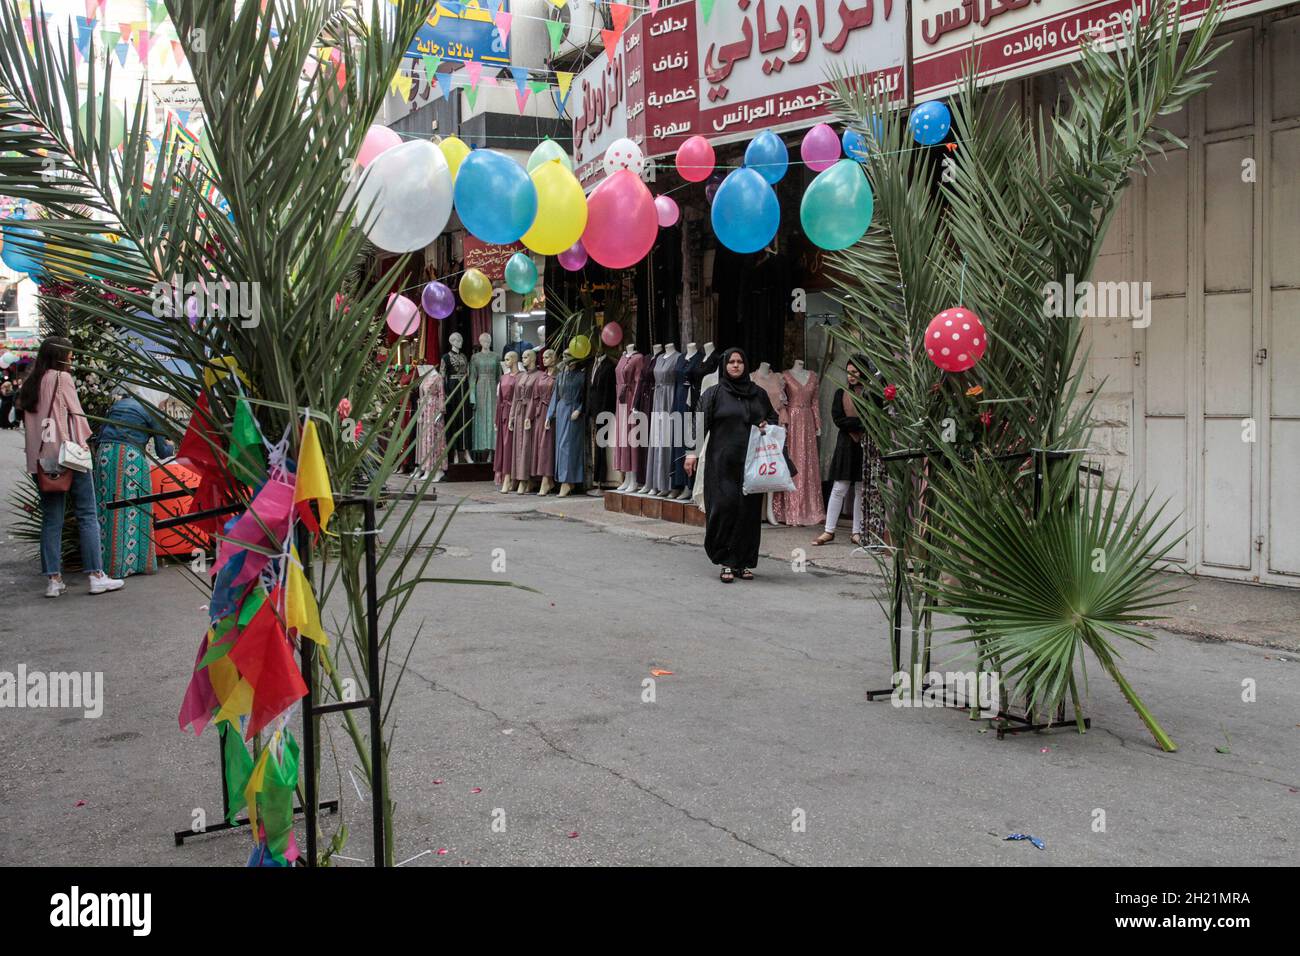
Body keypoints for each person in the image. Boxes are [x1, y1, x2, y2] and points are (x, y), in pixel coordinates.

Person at [16, 337, 124, 597]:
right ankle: (96, 576)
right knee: (87, 514)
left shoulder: (30, 382)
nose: (72, 359)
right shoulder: (61, 378)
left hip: (41, 461)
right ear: (62, 356)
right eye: (70, 354)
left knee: (51, 520)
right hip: (68, 456)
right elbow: (76, 416)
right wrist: (84, 444)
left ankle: (53, 581)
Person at [683, 348, 779, 583]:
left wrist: (767, 424)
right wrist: (691, 454)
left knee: (748, 513)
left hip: (751, 463)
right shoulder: (714, 394)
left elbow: (773, 418)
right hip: (721, 463)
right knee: (724, 509)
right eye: (731, 362)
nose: (735, 366)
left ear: (745, 365)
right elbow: (698, 423)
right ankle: (725, 560)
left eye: (739, 362)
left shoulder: (758, 394)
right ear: (725, 366)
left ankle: (743, 561)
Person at [94, 385, 175, 578]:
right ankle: (131, 564)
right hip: (130, 458)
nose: (163, 406)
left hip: (104, 455)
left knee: (107, 509)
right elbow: (162, 451)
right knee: (133, 509)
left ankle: (106, 565)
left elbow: (101, 433)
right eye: (164, 402)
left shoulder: (119, 405)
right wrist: (171, 445)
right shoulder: (151, 410)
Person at [814, 357, 884, 547]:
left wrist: (859, 423)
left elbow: (876, 417)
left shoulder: (871, 394)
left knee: (861, 490)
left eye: (855, 372)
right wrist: (860, 423)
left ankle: (856, 532)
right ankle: (829, 530)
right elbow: (838, 419)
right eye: (849, 372)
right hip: (846, 445)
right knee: (840, 488)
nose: (851, 376)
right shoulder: (840, 393)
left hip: (866, 445)